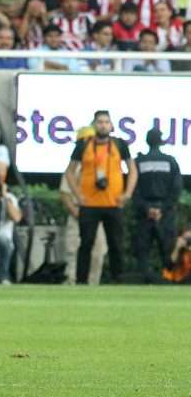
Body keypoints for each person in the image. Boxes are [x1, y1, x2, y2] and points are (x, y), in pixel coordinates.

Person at [64, 110, 137, 284]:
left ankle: (117, 280)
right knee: (86, 244)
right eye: (99, 122)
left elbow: (132, 170)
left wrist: (127, 194)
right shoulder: (83, 146)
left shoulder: (120, 145)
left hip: (113, 203)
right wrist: (78, 194)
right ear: (94, 125)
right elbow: (69, 172)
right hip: (89, 203)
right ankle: (81, 281)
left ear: (111, 126)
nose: (103, 125)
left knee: (116, 244)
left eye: (106, 122)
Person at [60, 126, 108, 285]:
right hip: (78, 215)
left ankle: (94, 284)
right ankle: (73, 283)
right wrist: (77, 213)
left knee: (98, 253)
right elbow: (65, 194)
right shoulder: (73, 167)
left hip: (98, 215)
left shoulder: (101, 165)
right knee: (74, 251)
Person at [133, 128, 181, 283]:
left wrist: (147, 209)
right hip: (165, 213)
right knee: (168, 251)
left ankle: (142, 283)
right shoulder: (171, 161)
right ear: (161, 141)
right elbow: (176, 189)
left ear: (147, 141)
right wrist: (162, 209)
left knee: (142, 251)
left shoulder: (139, 162)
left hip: (144, 214)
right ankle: (171, 281)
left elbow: (134, 190)